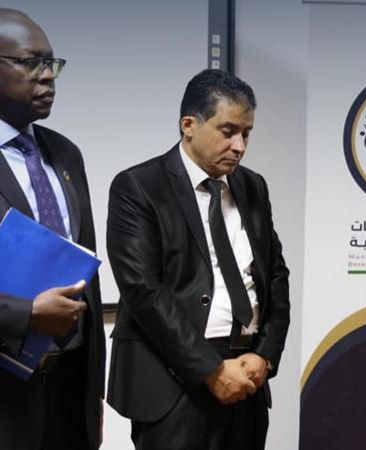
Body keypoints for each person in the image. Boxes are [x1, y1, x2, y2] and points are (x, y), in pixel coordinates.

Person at [106, 69, 290, 449]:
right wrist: (210, 369)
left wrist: (265, 354)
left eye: (247, 133)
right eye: (228, 131)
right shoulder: (139, 186)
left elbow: (275, 275)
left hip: (247, 375)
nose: (239, 146)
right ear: (188, 125)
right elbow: (143, 291)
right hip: (172, 380)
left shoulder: (253, 186)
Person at [0, 8, 105, 450]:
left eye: (51, 64)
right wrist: (26, 313)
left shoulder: (65, 154)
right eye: (30, 63)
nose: (47, 77)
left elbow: (87, 276)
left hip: (70, 390)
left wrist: (93, 392)